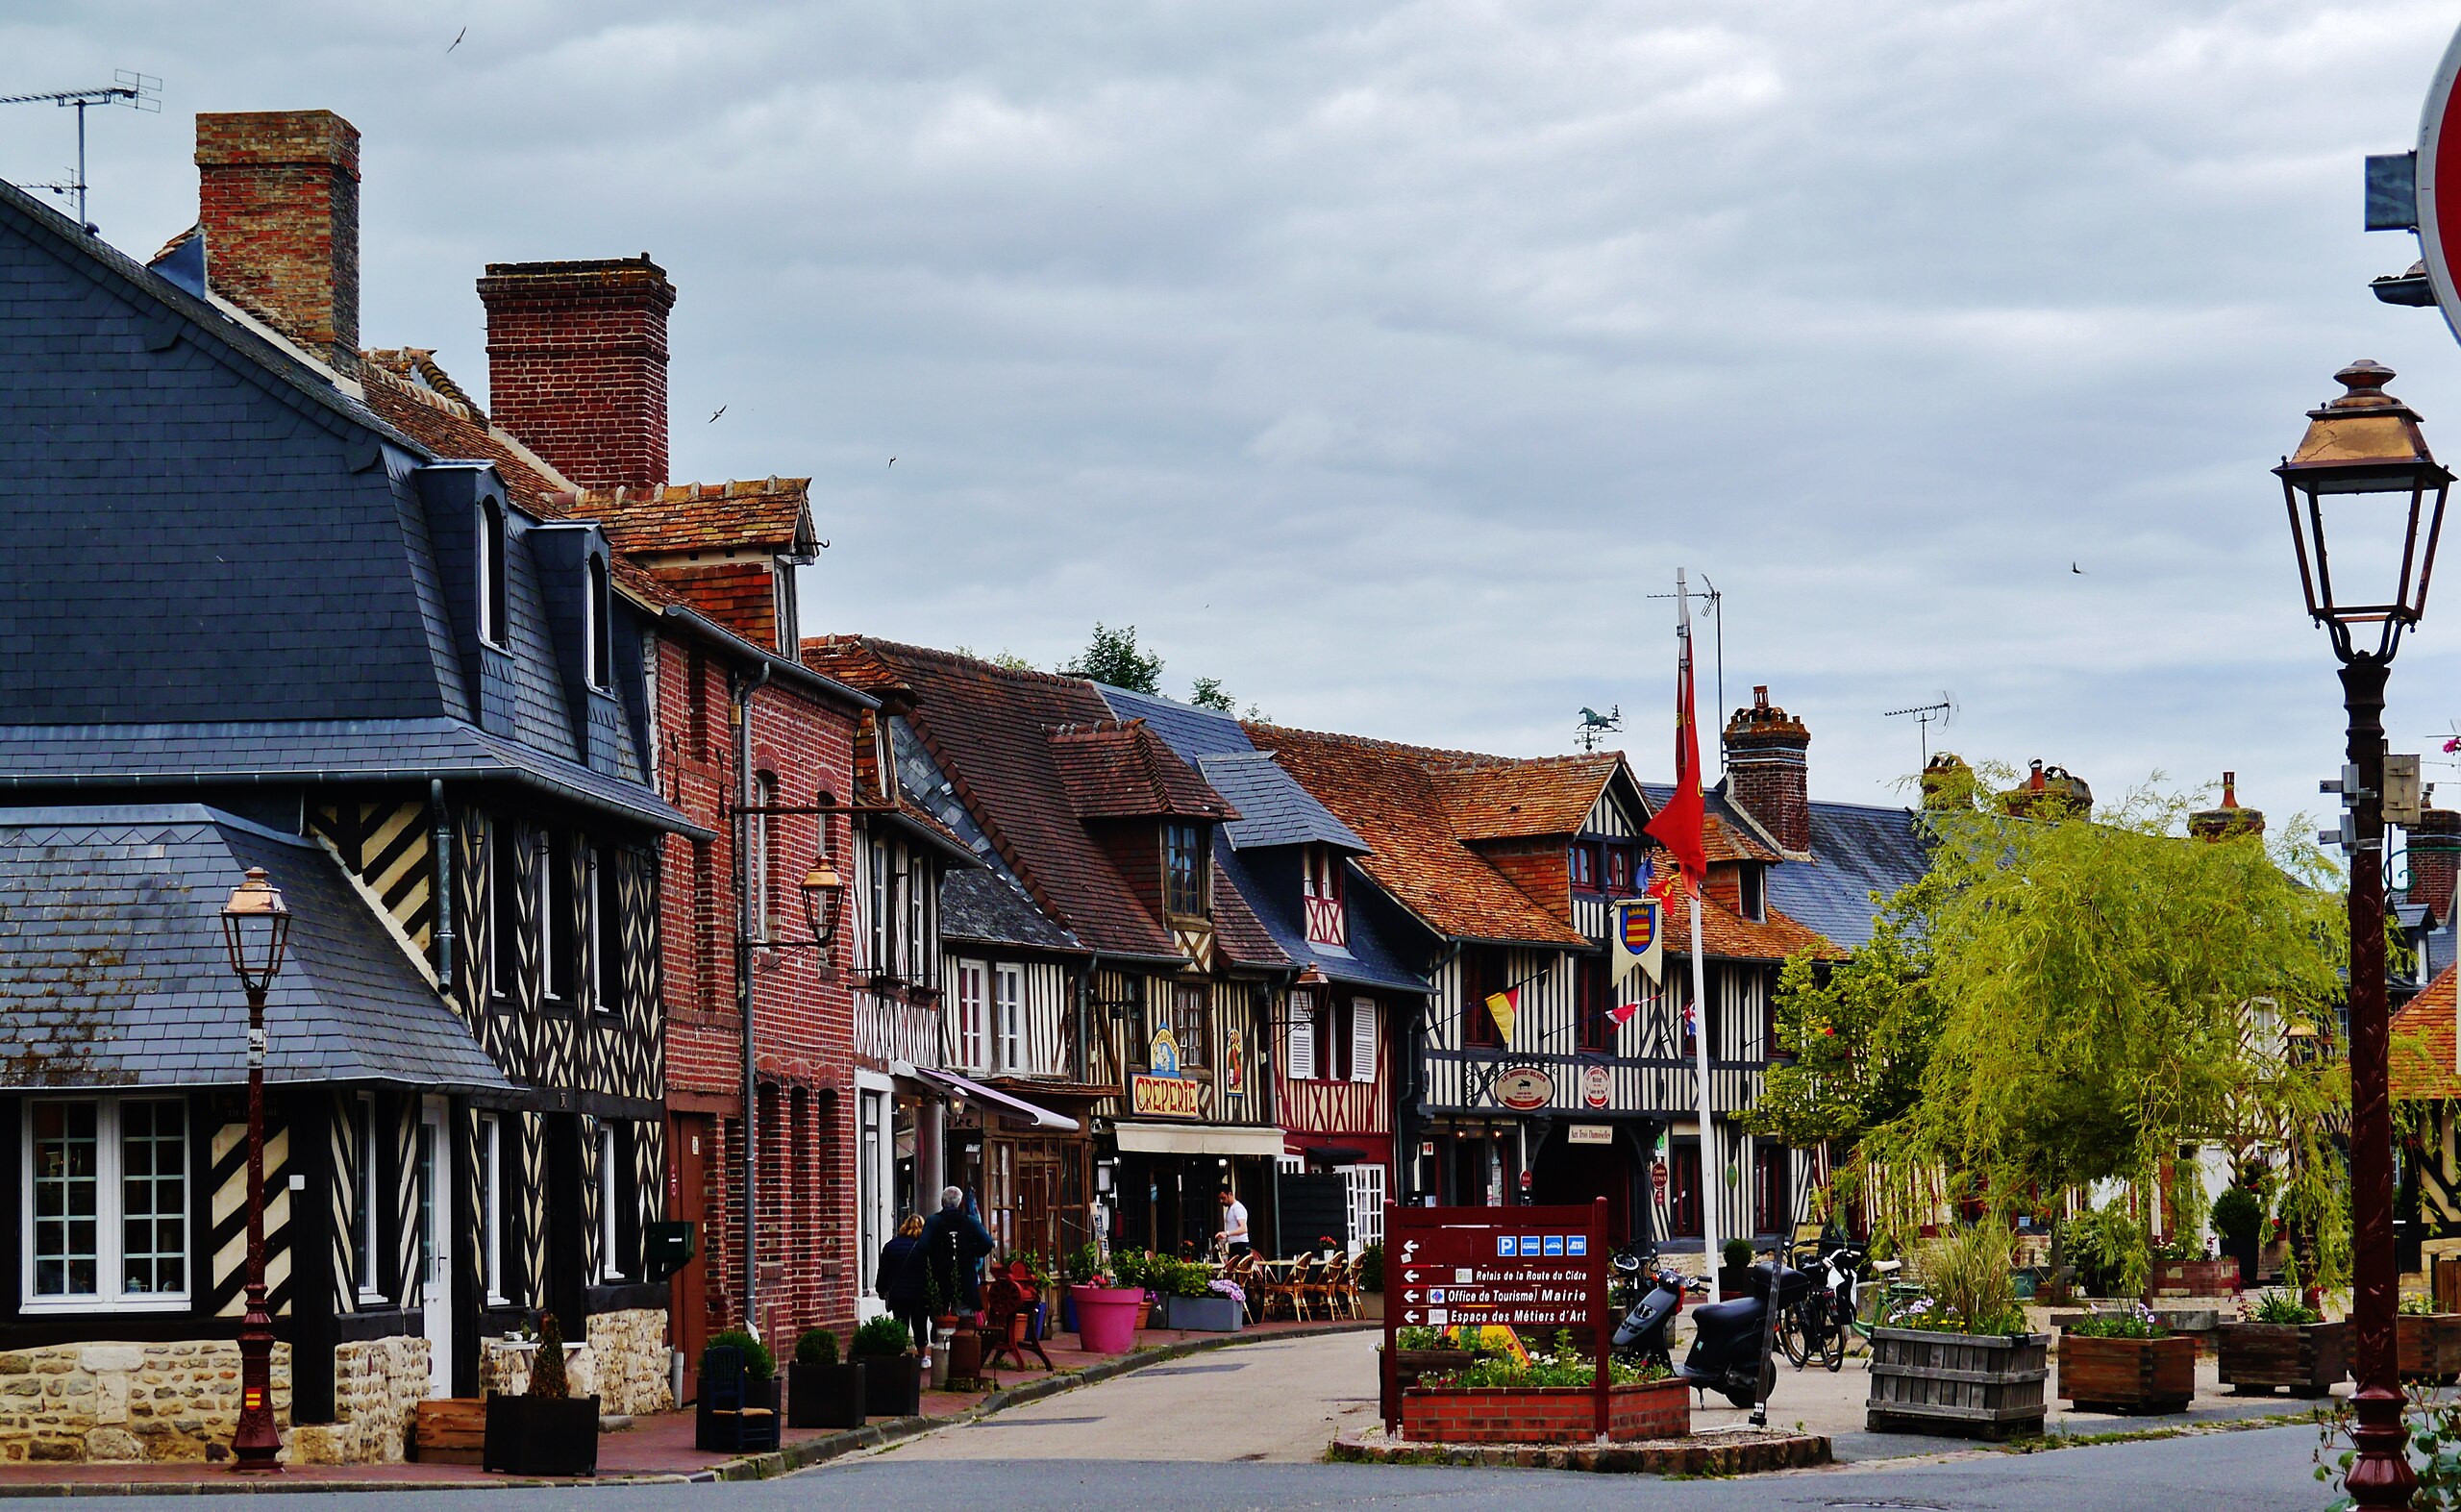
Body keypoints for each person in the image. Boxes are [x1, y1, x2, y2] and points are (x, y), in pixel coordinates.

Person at [918, 1184, 996, 1316]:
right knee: (964, 1321)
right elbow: (988, 1242)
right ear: (960, 1203)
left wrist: (934, 1256)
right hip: (965, 1277)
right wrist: (972, 1251)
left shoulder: (933, 1221)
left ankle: (941, 1336)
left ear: (942, 1203)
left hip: (940, 1277)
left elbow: (922, 1246)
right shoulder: (969, 1221)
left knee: (940, 1319)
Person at [876, 1214, 931, 1362]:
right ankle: (923, 1356)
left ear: (904, 1226)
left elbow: (883, 1271)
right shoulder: (925, 1248)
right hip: (920, 1294)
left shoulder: (891, 1246)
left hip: (898, 1294)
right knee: (920, 1325)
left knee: (900, 1324)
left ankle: (899, 1354)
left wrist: (881, 1289)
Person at [1216, 1185, 1252, 1259]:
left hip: (1241, 1245)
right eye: (1220, 1199)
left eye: (1223, 1198)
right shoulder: (1231, 1209)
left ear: (1230, 1194)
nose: (1221, 1201)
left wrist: (1227, 1233)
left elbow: (1243, 1229)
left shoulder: (1237, 1208)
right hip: (1234, 1245)